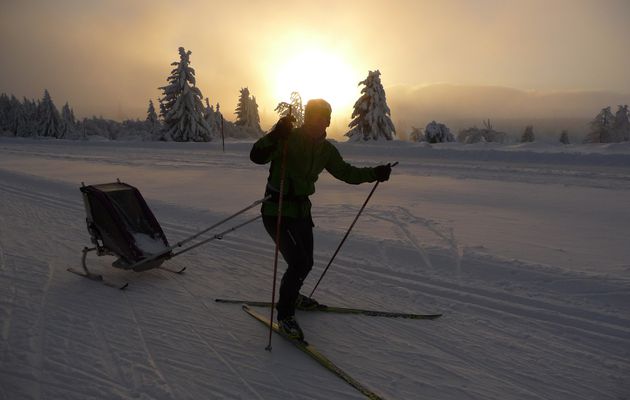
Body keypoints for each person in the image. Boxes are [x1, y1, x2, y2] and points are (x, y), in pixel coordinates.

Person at [249, 99, 391, 340]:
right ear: (307, 118)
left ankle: (292, 295)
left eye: (325, 118)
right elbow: (257, 156)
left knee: (307, 261)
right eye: (316, 117)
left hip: (302, 212)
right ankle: (285, 315)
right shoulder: (288, 138)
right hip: (277, 210)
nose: (321, 122)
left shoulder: (326, 150)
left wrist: (374, 174)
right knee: (298, 263)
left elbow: (347, 173)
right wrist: (275, 135)